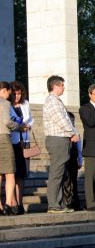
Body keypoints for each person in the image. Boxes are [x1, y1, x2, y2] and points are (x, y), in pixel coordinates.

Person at [43, 75, 79, 213]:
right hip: (57, 139)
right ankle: (53, 204)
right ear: (55, 86)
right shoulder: (52, 101)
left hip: (62, 139)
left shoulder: (57, 101)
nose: (64, 87)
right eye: (62, 85)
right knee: (57, 172)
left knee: (61, 173)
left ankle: (59, 203)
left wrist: (72, 132)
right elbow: (61, 120)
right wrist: (72, 132)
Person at [0, 82, 26, 215]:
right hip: (3, 138)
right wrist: (19, 127)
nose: (10, 95)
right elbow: (7, 122)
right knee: (10, 173)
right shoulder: (4, 103)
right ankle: (8, 204)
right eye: (9, 93)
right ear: (4, 90)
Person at [9, 81, 33, 214]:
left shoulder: (25, 104)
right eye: (14, 93)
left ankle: (20, 202)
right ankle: (13, 202)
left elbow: (31, 119)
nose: (17, 96)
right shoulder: (6, 106)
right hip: (13, 141)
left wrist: (28, 125)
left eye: (19, 93)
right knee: (12, 174)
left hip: (25, 140)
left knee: (22, 175)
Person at [63, 112, 83, 211]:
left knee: (74, 181)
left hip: (73, 157)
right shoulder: (63, 131)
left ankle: (75, 202)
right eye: (70, 120)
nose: (71, 122)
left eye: (73, 120)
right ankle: (66, 202)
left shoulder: (76, 132)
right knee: (66, 180)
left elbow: (79, 147)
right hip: (65, 157)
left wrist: (80, 159)